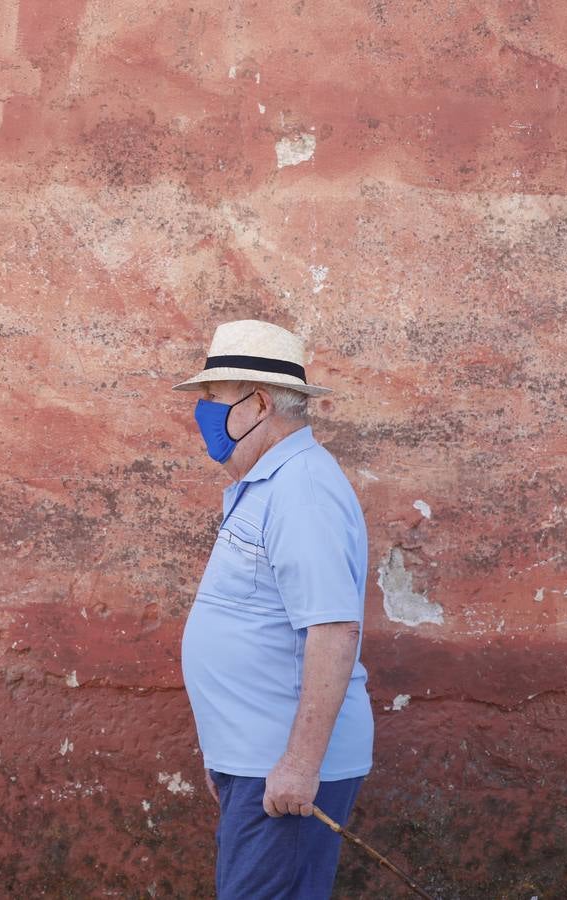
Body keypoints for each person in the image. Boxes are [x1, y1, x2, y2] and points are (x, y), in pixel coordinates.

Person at [172, 319, 374, 899]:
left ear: (259, 403)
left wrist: (297, 765)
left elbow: (333, 630)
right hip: (257, 762)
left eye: (212, 398)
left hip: (282, 775)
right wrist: (230, 753)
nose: (202, 412)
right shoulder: (270, 483)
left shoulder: (301, 492)